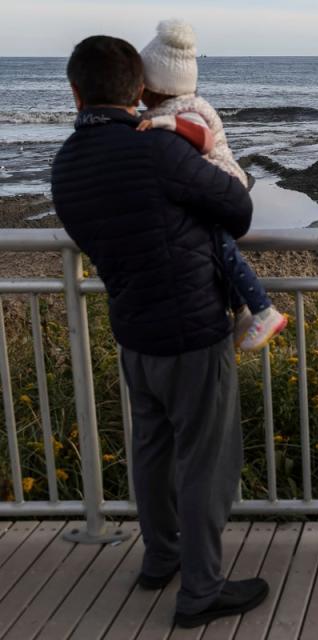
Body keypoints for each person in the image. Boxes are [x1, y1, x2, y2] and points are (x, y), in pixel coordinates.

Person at [51, 35, 268, 628]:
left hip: (133, 327)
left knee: (152, 450)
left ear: (75, 92)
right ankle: (201, 590)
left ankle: (160, 557)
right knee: (206, 461)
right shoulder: (158, 151)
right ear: (140, 89)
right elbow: (239, 209)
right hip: (193, 328)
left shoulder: (66, 163)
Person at [138, 18, 286, 351]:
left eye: (143, 85)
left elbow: (202, 140)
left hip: (224, 181)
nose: (140, 92)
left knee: (220, 245)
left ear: (159, 86)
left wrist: (164, 122)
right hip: (217, 183)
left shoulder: (186, 111)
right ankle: (242, 309)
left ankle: (263, 309)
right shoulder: (182, 105)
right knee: (215, 244)